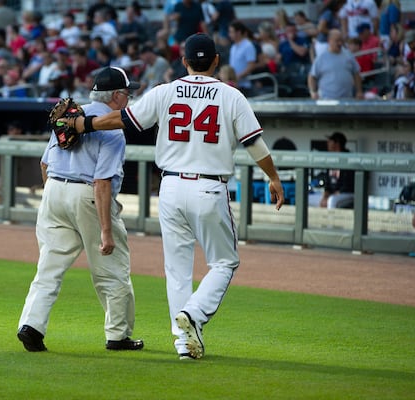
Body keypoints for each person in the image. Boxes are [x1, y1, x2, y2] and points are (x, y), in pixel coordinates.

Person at [62, 34, 284, 360]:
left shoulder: (166, 91)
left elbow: (124, 120)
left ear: (184, 61)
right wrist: (273, 177)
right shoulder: (230, 95)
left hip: (170, 187)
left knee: (177, 270)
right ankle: (193, 316)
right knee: (224, 261)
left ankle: (184, 343)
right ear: (216, 61)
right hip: (209, 187)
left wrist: (84, 123)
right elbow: (254, 144)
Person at [17, 67, 144, 353]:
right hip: (88, 195)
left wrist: (55, 194)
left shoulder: (68, 116)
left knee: (48, 268)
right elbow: (102, 183)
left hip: (54, 190)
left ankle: (31, 325)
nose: (129, 97)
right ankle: (118, 335)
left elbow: (44, 164)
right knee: (111, 270)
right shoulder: (111, 129)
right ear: (116, 96)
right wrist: (106, 232)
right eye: (127, 92)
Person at [308, 29, 364, 99]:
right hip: (327, 100)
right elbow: (312, 76)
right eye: (337, 41)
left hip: (347, 99)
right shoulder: (321, 57)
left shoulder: (348, 55)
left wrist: (359, 91)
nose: (340, 43)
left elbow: (356, 73)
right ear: (329, 41)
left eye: (341, 40)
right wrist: (313, 92)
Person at [317, 132, 356, 209]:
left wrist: (329, 197)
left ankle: (330, 221)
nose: (327, 143)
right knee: (309, 198)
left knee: (331, 201)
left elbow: (347, 186)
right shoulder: (331, 158)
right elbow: (328, 184)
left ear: (337, 143)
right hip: (334, 194)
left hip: (348, 193)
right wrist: (325, 196)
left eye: (330, 141)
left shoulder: (349, 158)